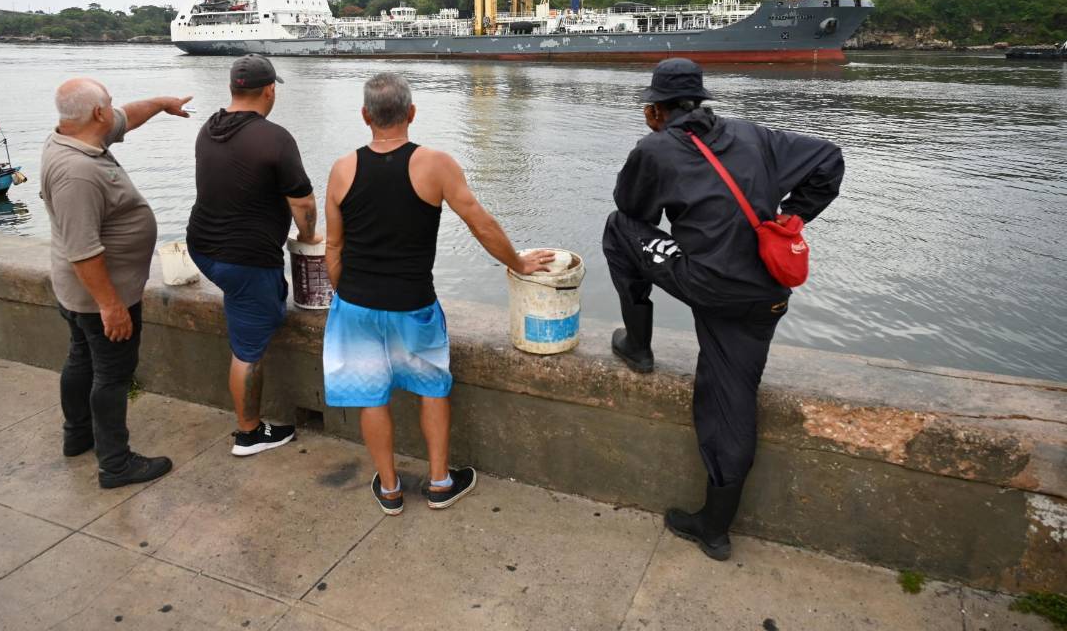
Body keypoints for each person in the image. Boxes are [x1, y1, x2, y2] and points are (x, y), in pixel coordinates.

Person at [602, 58, 843, 560]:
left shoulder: (655, 148)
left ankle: (638, 344)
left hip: (709, 284)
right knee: (731, 400)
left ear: (655, 110)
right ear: (701, 101)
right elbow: (828, 158)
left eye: (650, 109)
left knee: (617, 229)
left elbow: (633, 211)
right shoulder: (753, 135)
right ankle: (714, 527)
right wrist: (788, 219)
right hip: (766, 292)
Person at [322, 73, 553, 515]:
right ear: (411, 113)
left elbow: (333, 247)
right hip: (413, 303)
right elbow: (480, 223)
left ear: (365, 116)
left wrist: (346, 298)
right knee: (432, 389)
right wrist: (518, 263)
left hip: (355, 304)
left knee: (370, 396)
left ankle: (390, 489)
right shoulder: (435, 164)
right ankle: (440, 483)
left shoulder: (342, 169)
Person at [41, 78, 193, 488]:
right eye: (109, 103)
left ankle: (77, 436)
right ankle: (115, 464)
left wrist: (162, 102)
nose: (115, 108)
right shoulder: (77, 173)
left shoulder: (73, 136)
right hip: (100, 296)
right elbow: (83, 250)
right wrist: (110, 306)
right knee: (111, 375)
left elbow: (128, 117)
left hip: (77, 292)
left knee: (81, 358)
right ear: (97, 113)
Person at [186, 55, 319, 456]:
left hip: (203, 247)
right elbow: (303, 202)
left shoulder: (209, 129)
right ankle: (249, 432)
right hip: (244, 258)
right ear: (269, 90)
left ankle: (255, 308)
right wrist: (308, 237)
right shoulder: (275, 138)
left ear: (233, 88)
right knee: (248, 349)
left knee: (256, 303)